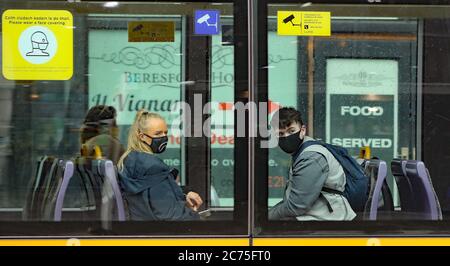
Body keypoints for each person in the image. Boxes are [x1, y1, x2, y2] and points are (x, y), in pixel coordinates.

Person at [269, 107, 356, 221]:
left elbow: (297, 206)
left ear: (303, 130)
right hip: (317, 215)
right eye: (280, 133)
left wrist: (266, 218)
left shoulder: (310, 157)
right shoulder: (301, 152)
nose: (286, 137)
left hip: (329, 220)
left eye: (291, 131)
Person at [117, 110, 203, 221]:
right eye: (158, 133)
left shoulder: (130, 158)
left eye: (165, 133)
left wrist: (184, 195)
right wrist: (195, 215)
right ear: (142, 136)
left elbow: (155, 194)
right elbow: (169, 215)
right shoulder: (153, 166)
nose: (164, 137)